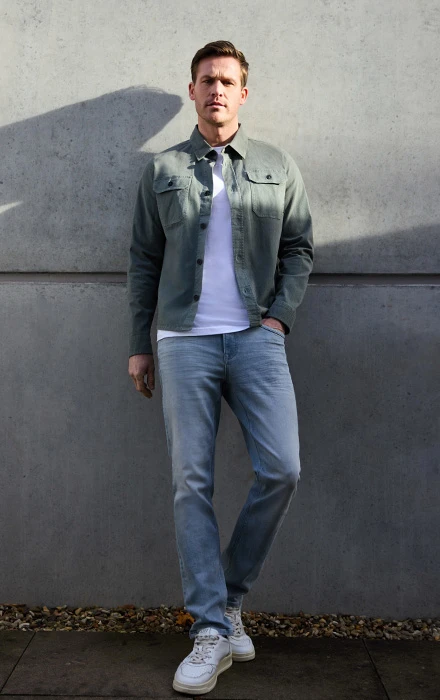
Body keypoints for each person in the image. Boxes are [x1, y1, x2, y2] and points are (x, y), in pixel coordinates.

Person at [127, 40, 313, 696]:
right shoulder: (163, 171)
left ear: (243, 93)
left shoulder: (276, 166)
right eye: (207, 80)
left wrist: (278, 318)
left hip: (257, 339)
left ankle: (229, 597)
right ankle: (209, 629)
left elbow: (299, 248)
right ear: (192, 90)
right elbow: (143, 260)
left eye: (228, 81)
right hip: (185, 342)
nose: (217, 90)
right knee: (191, 483)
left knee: (283, 468)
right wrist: (139, 343)